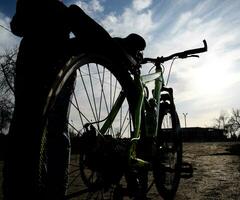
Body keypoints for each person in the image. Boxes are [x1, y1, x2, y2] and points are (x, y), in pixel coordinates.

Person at [3, 0, 146, 199]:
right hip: (52, 64)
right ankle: (48, 190)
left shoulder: (34, 15)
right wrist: (116, 50)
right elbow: (85, 36)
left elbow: (18, 26)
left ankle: (24, 190)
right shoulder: (63, 12)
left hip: (29, 63)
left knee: (24, 133)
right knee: (53, 135)